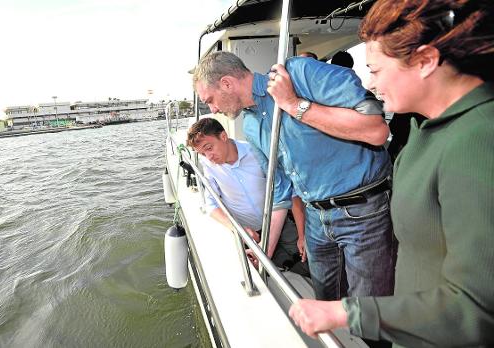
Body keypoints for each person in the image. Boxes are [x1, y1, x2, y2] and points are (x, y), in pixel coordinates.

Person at [288, 1, 494, 346]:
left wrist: (344, 313)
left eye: (377, 70)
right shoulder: (423, 130)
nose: (370, 82)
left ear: (426, 61)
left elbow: (476, 308)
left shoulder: (478, 139)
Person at [193, 51, 395, 304]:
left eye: (210, 100)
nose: (212, 109)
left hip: (363, 212)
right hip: (315, 219)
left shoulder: (298, 73)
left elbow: (376, 130)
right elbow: (280, 192)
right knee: (325, 301)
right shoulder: (252, 127)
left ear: (226, 83)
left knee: (369, 309)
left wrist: (293, 105)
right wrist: (265, 250)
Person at [187, 117, 308, 274]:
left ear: (223, 136)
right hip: (248, 233)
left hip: (280, 222)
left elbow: (290, 192)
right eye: (202, 153)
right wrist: (239, 230)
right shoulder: (209, 166)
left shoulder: (255, 152)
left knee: (307, 260)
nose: (208, 156)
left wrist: (302, 234)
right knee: (264, 275)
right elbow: (211, 205)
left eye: (209, 148)